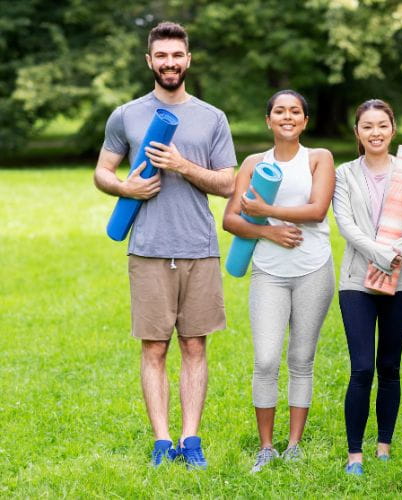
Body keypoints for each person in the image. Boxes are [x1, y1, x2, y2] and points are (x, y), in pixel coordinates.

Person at [93, 21, 236, 469]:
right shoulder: (126, 115)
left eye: (177, 55)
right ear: (149, 60)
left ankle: (190, 440)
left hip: (199, 247)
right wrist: (124, 190)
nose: (170, 63)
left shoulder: (212, 117)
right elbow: (102, 172)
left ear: (188, 59)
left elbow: (228, 182)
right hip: (148, 248)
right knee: (154, 347)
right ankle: (161, 441)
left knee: (195, 345)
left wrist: (183, 165)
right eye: (162, 56)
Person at [222, 90, 335, 473]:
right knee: (266, 359)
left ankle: (295, 445)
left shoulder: (319, 158)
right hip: (269, 272)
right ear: (268, 120)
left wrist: (266, 212)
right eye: (279, 111)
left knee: (302, 358)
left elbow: (317, 211)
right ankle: (266, 446)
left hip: (313, 269)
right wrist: (270, 232)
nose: (288, 117)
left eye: (295, 112)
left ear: (305, 121)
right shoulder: (254, 163)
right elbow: (231, 219)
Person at [332, 99, 402, 476]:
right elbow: (345, 223)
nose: (375, 133)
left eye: (382, 125)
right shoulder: (345, 174)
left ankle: (383, 445)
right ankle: (355, 453)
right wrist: (378, 252)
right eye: (367, 126)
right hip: (356, 280)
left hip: (401, 280)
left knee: (390, 366)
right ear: (358, 132)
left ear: (393, 129)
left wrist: (396, 251)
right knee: (361, 367)